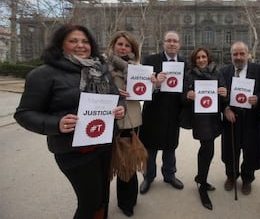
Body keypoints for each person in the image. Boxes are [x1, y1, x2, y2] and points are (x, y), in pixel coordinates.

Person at [14, 24, 125, 219]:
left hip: (104, 145)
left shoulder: (101, 70)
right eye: (73, 41)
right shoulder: (44, 74)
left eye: (85, 41)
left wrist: (120, 109)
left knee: (103, 198)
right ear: (60, 45)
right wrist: (56, 123)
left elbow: (117, 98)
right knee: (89, 201)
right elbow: (24, 113)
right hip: (74, 152)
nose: (80, 45)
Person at [105, 31, 153, 217]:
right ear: (114, 45)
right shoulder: (101, 66)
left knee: (128, 164)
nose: (123, 48)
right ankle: (101, 202)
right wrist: (113, 91)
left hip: (130, 121)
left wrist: (153, 83)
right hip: (106, 120)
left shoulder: (138, 69)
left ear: (132, 49)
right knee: (106, 164)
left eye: (127, 45)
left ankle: (127, 201)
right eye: (120, 44)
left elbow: (146, 92)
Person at [139, 30, 187, 194]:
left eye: (175, 41)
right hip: (153, 112)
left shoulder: (183, 63)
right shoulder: (150, 60)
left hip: (173, 113)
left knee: (170, 147)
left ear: (179, 44)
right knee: (149, 149)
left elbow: (186, 88)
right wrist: (156, 84)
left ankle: (169, 174)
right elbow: (141, 88)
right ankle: (148, 176)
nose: (172, 44)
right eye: (169, 41)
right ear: (163, 43)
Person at [220, 41, 260, 195]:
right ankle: (231, 176)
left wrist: (258, 98)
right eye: (235, 54)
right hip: (231, 119)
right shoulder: (224, 71)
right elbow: (220, 95)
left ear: (248, 54)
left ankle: (247, 179)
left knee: (251, 152)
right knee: (230, 151)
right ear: (231, 56)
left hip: (252, 120)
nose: (239, 57)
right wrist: (225, 108)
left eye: (242, 53)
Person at [183, 47, 227, 210]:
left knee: (207, 149)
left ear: (208, 58)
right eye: (198, 58)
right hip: (200, 119)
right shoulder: (189, 74)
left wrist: (224, 93)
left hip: (214, 117)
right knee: (207, 149)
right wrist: (188, 95)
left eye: (203, 57)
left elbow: (224, 97)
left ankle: (200, 178)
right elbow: (182, 97)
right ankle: (202, 185)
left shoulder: (217, 73)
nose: (201, 60)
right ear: (194, 60)